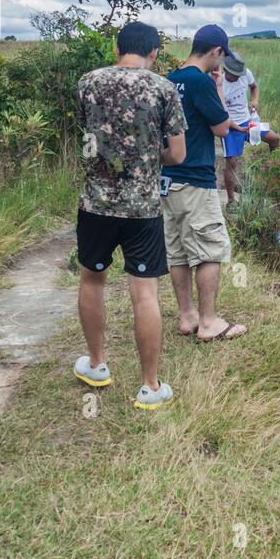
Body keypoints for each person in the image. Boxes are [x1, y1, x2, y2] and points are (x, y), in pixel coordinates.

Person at [72, 21, 186, 410]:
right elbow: (178, 155)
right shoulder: (164, 89)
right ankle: (150, 386)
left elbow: (88, 137)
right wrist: (151, 159)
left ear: (118, 47)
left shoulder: (88, 82)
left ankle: (97, 364)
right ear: (154, 52)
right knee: (145, 291)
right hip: (143, 208)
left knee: (93, 279)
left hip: (96, 205)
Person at [162, 25, 248, 342]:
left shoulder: (170, 79)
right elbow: (222, 128)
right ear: (216, 51)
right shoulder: (201, 81)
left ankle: (188, 316)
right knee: (211, 249)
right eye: (220, 57)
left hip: (167, 180)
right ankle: (209, 321)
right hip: (196, 177)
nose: (220, 64)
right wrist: (220, 90)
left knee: (179, 251)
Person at [220, 52, 280, 210]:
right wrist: (239, 129)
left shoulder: (245, 74)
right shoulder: (219, 86)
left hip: (249, 122)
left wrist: (254, 101)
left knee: (275, 139)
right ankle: (231, 200)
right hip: (231, 126)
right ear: (226, 70)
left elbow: (254, 87)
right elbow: (222, 118)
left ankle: (274, 176)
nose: (238, 77)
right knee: (232, 161)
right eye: (235, 75)